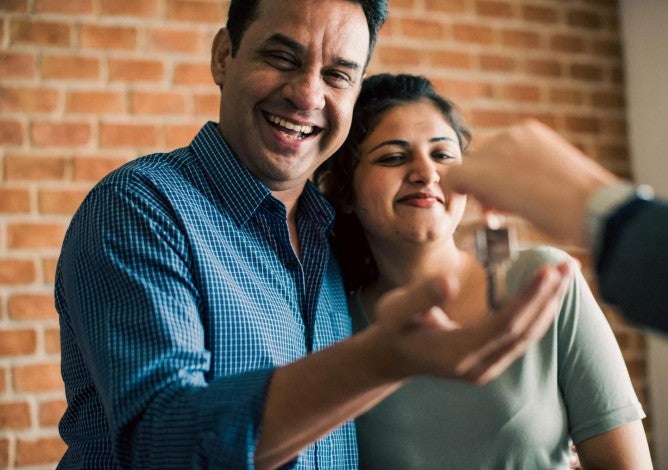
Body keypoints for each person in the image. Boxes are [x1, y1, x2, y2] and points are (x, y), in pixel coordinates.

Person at [54, 1, 574, 468]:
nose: (307, 94)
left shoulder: (335, 239)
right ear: (222, 56)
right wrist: (380, 360)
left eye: (338, 75)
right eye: (282, 58)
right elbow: (162, 447)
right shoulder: (142, 206)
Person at [315, 73, 652, 469]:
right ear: (345, 191)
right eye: (393, 157)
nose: (427, 173)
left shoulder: (545, 279)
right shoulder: (332, 323)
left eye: (442, 155)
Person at [441, 120, 666, 334]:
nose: (427, 174)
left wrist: (598, 206)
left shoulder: (546, 270)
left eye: (441, 155)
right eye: (402, 157)